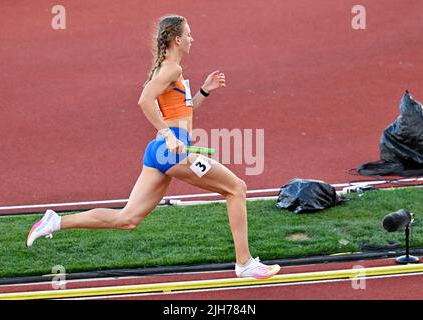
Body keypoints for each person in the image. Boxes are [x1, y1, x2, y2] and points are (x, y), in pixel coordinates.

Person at [26, 15, 280, 279]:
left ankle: (55, 221)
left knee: (128, 219)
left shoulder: (171, 71)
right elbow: (144, 100)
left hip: (160, 152)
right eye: (189, 35)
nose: (193, 39)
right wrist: (169, 136)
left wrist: (204, 91)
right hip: (170, 152)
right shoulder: (172, 70)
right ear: (177, 40)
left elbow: (182, 116)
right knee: (236, 188)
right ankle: (245, 263)